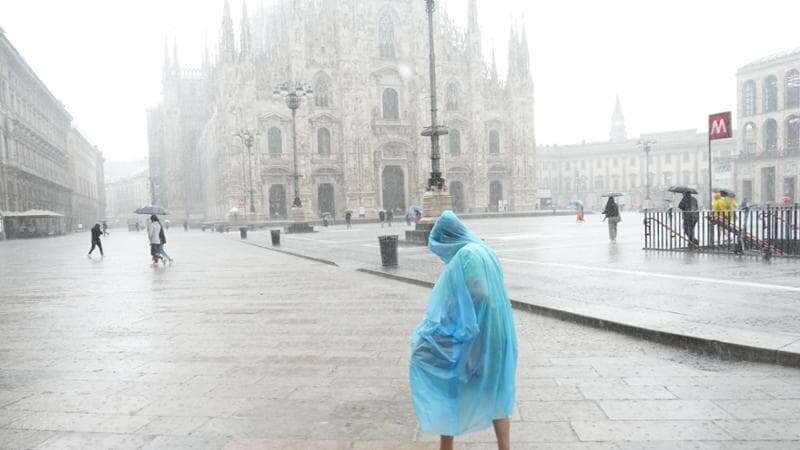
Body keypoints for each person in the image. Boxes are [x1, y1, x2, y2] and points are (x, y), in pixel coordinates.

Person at [410, 211, 517, 450]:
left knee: (447, 386)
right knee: (497, 389)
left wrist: (466, 328)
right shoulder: (485, 250)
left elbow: (480, 293)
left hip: (480, 335)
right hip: (500, 333)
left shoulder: (467, 254)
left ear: (447, 238)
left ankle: (445, 447)